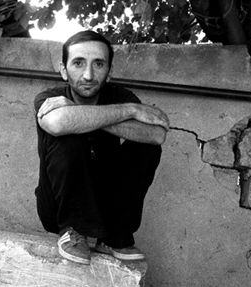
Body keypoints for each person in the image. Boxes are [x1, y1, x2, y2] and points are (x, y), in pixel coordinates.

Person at [34, 30, 169, 265]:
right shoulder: (50, 97)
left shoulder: (120, 96)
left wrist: (80, 112)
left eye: (98, 64)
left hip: (106, 202)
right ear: (63, 70)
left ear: (110, 70)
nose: (88, 75)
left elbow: (156, 134)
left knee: (146, 147)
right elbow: (57, 123)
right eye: (78, 63)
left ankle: (114, 237)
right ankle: (73, 230)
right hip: (57, 206)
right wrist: (129, 112)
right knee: (67, 135)